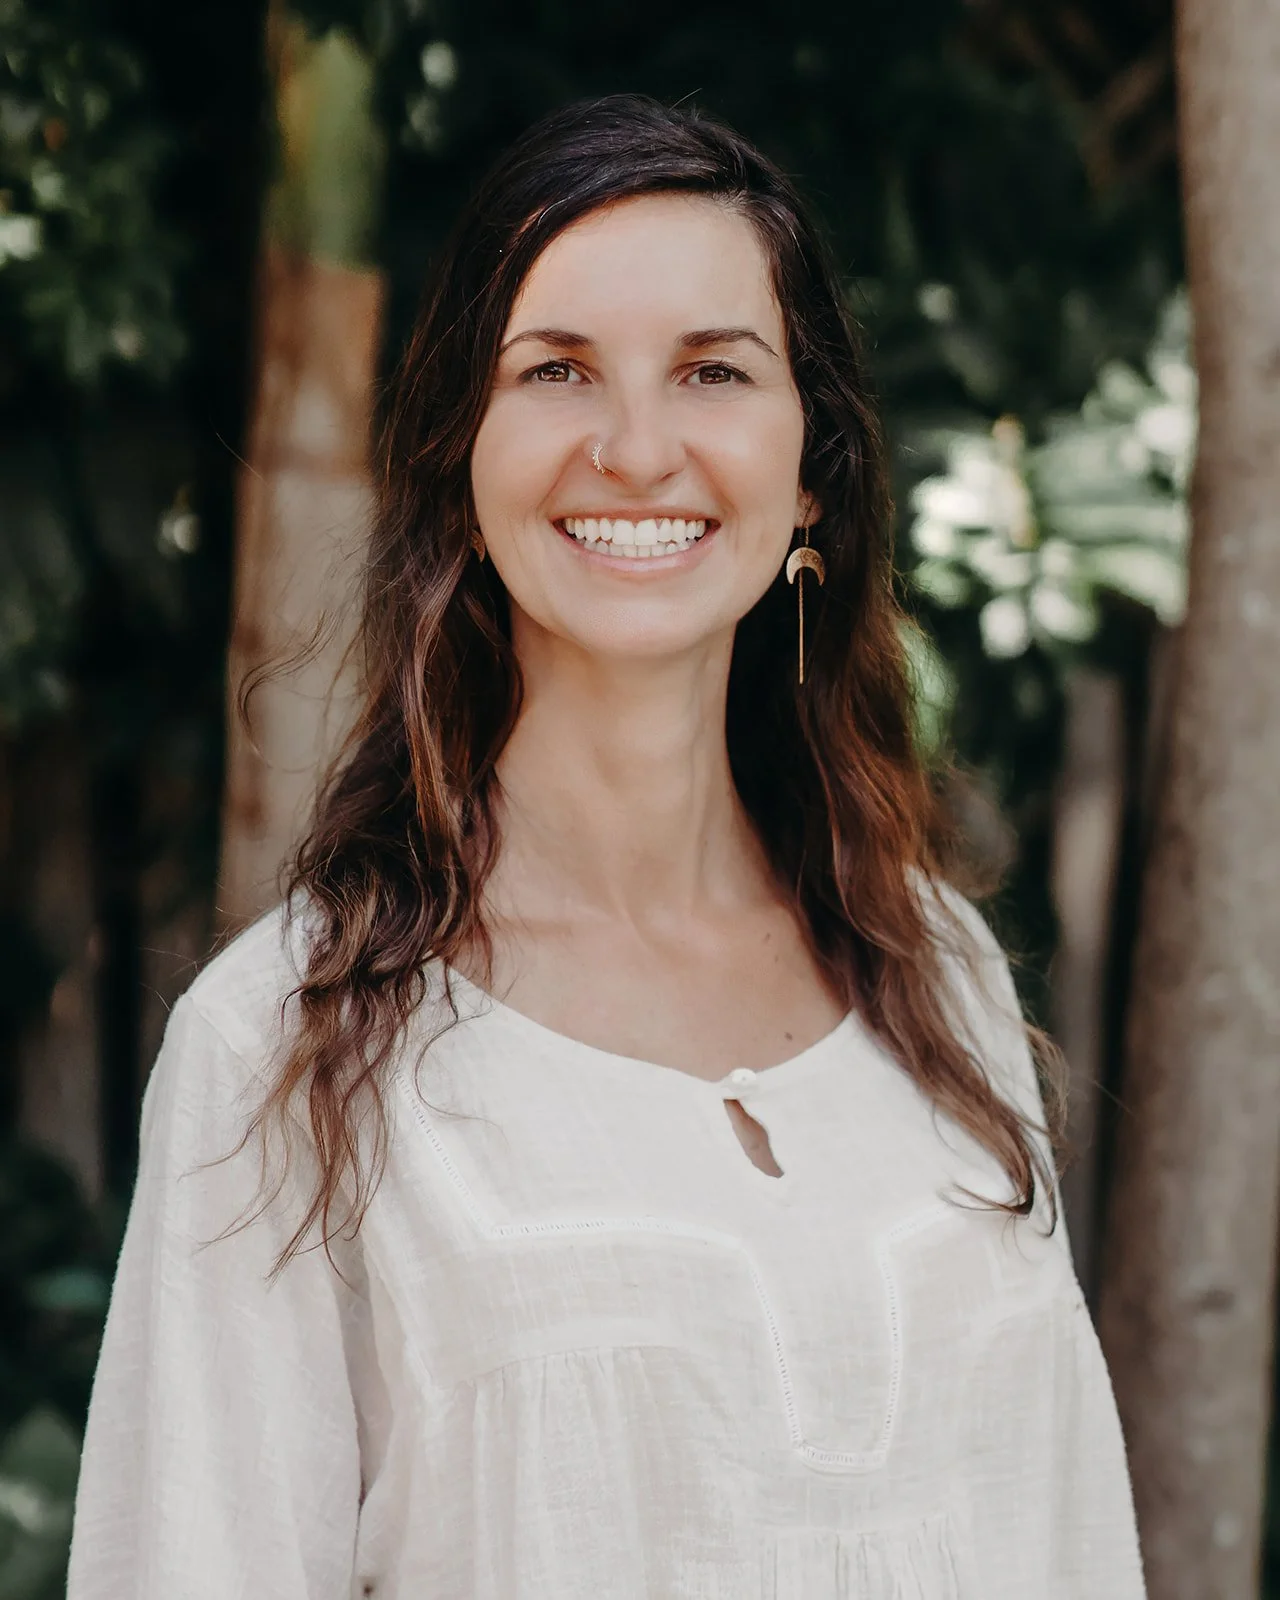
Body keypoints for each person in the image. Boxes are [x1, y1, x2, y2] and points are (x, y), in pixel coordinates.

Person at [66, 94, 1145, 1598]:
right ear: (461, 454)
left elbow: (1069, 1537)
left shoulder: (933, 966)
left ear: (812, 465)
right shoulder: (286, 1049)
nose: (637, 448)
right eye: (557, 370)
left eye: (713, 370)